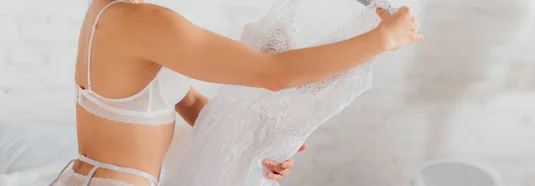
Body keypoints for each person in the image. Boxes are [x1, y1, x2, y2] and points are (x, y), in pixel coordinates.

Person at [51, 0, 422, 185]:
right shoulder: (141, 21)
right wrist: (382, 39)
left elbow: (188, 100)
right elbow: (274, 73)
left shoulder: (109, 10)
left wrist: (252, 147)